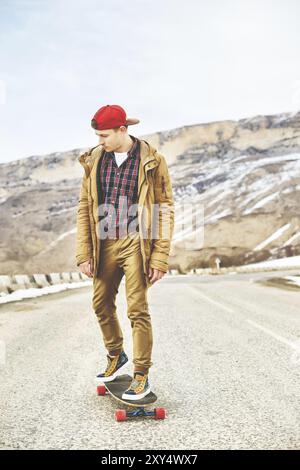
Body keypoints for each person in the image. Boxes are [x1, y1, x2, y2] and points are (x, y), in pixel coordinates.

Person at [76, 104, 174, 400]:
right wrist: (84, 253)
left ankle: (142, 374)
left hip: (136, 243)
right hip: (104, 242)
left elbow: (164, 209)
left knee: (137, 309)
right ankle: (116, 355)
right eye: (97, 135)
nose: (99, 141)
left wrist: (159, 257)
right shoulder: (94, 159)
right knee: (101, 304)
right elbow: (84, 207)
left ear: (123, 130)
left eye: (104, 135)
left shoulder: (153, 161)